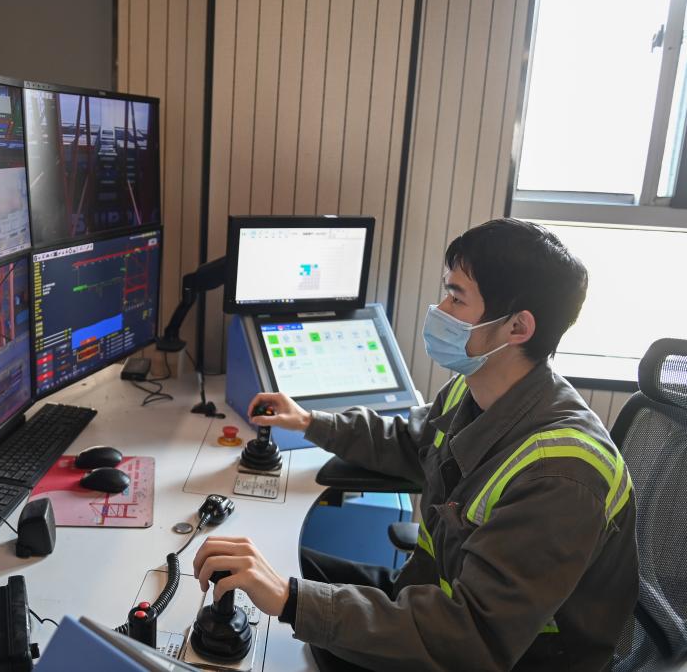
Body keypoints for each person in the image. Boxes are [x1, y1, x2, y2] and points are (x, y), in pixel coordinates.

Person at [193, 218, 638, 671]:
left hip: (504, 656)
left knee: (286, 621)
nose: (439, 309)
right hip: (431, 596)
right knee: (288, 570)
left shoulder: (561, 476)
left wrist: (289, 600)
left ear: (517, 327)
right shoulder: (474, 389)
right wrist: (310, 422)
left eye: (456, 298)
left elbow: (473, 638)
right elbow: (408, 443)